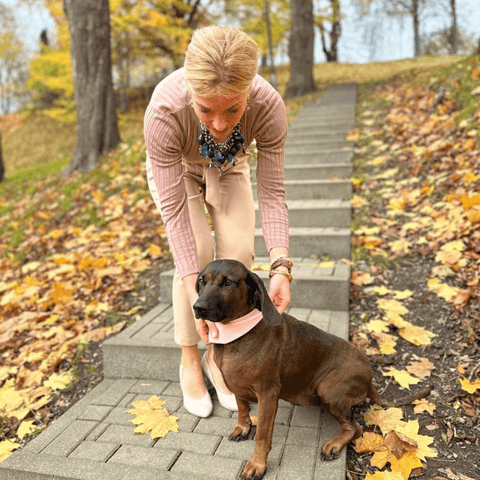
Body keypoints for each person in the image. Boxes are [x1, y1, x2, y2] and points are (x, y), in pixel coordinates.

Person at [144, 25, 293, 418]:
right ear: (190, 94)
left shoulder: (269, 106)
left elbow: (273, 193)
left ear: (250, 92)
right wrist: (195, 285)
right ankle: (192, 358)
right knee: (197, 253)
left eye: (233, 109)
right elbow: (175, 212)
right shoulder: (164, 111)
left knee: (239, 255)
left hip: (230, 167)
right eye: (206, 109)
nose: (221, 123)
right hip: (178, 169)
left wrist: (281, 266)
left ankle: (221, 356)